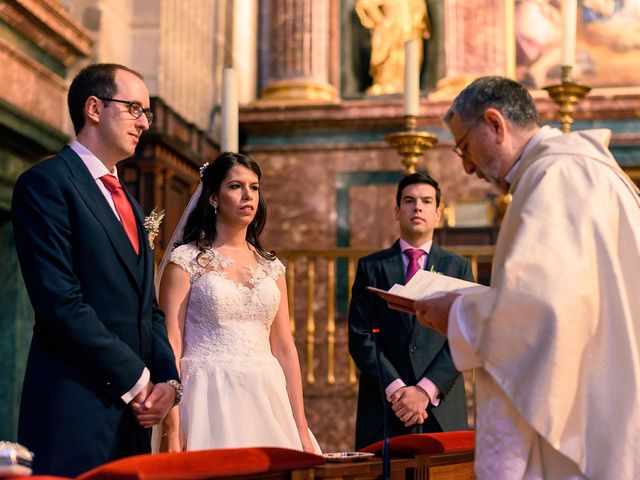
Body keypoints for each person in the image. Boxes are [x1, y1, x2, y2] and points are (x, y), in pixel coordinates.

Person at [415, 76, 640, 479]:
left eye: (464, 146)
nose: (466, 166)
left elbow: (541, 308)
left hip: (587, 401)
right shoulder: (587, 170)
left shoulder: (557, 177)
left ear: (494, 123)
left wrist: (457, 311)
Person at [11, 63, 180, 477]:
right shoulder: (47, 183)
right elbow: (60, 305)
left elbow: (149, 309)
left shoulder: (132, 203)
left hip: (134, 416)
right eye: (134, 108)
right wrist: (139, 382)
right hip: (76, 405)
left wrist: (168, 383)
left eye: (147, 114)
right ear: (93, 107)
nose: (144, 123)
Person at [156, 152, 320, 454]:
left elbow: (284, 346)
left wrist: (300, 427)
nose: (248, 196)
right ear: (214, 198)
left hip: (266, 392)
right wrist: (173, 427)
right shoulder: (186, 261)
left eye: (254, 187)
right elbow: (171, 343)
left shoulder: (272, 266)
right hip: (206, 395)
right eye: (236, 186)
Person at [348, 172, 472, 451]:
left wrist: (424, 391)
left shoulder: (458, 267)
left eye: (426, 201)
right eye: (409, 201)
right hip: (385, 406)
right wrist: (398, 391)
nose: (417, 207)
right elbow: (360, 337)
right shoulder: (371, 267)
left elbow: (464, 334)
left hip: (440, 407)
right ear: (396, 211)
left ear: (438, 213)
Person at [355, 0, 430, 95]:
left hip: (411, 30)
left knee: (408, 57)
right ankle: (386, 82)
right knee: (389, 58)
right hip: (390, 30)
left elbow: (420, 11)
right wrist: (381, 22)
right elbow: (365, 3)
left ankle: (405, 84)